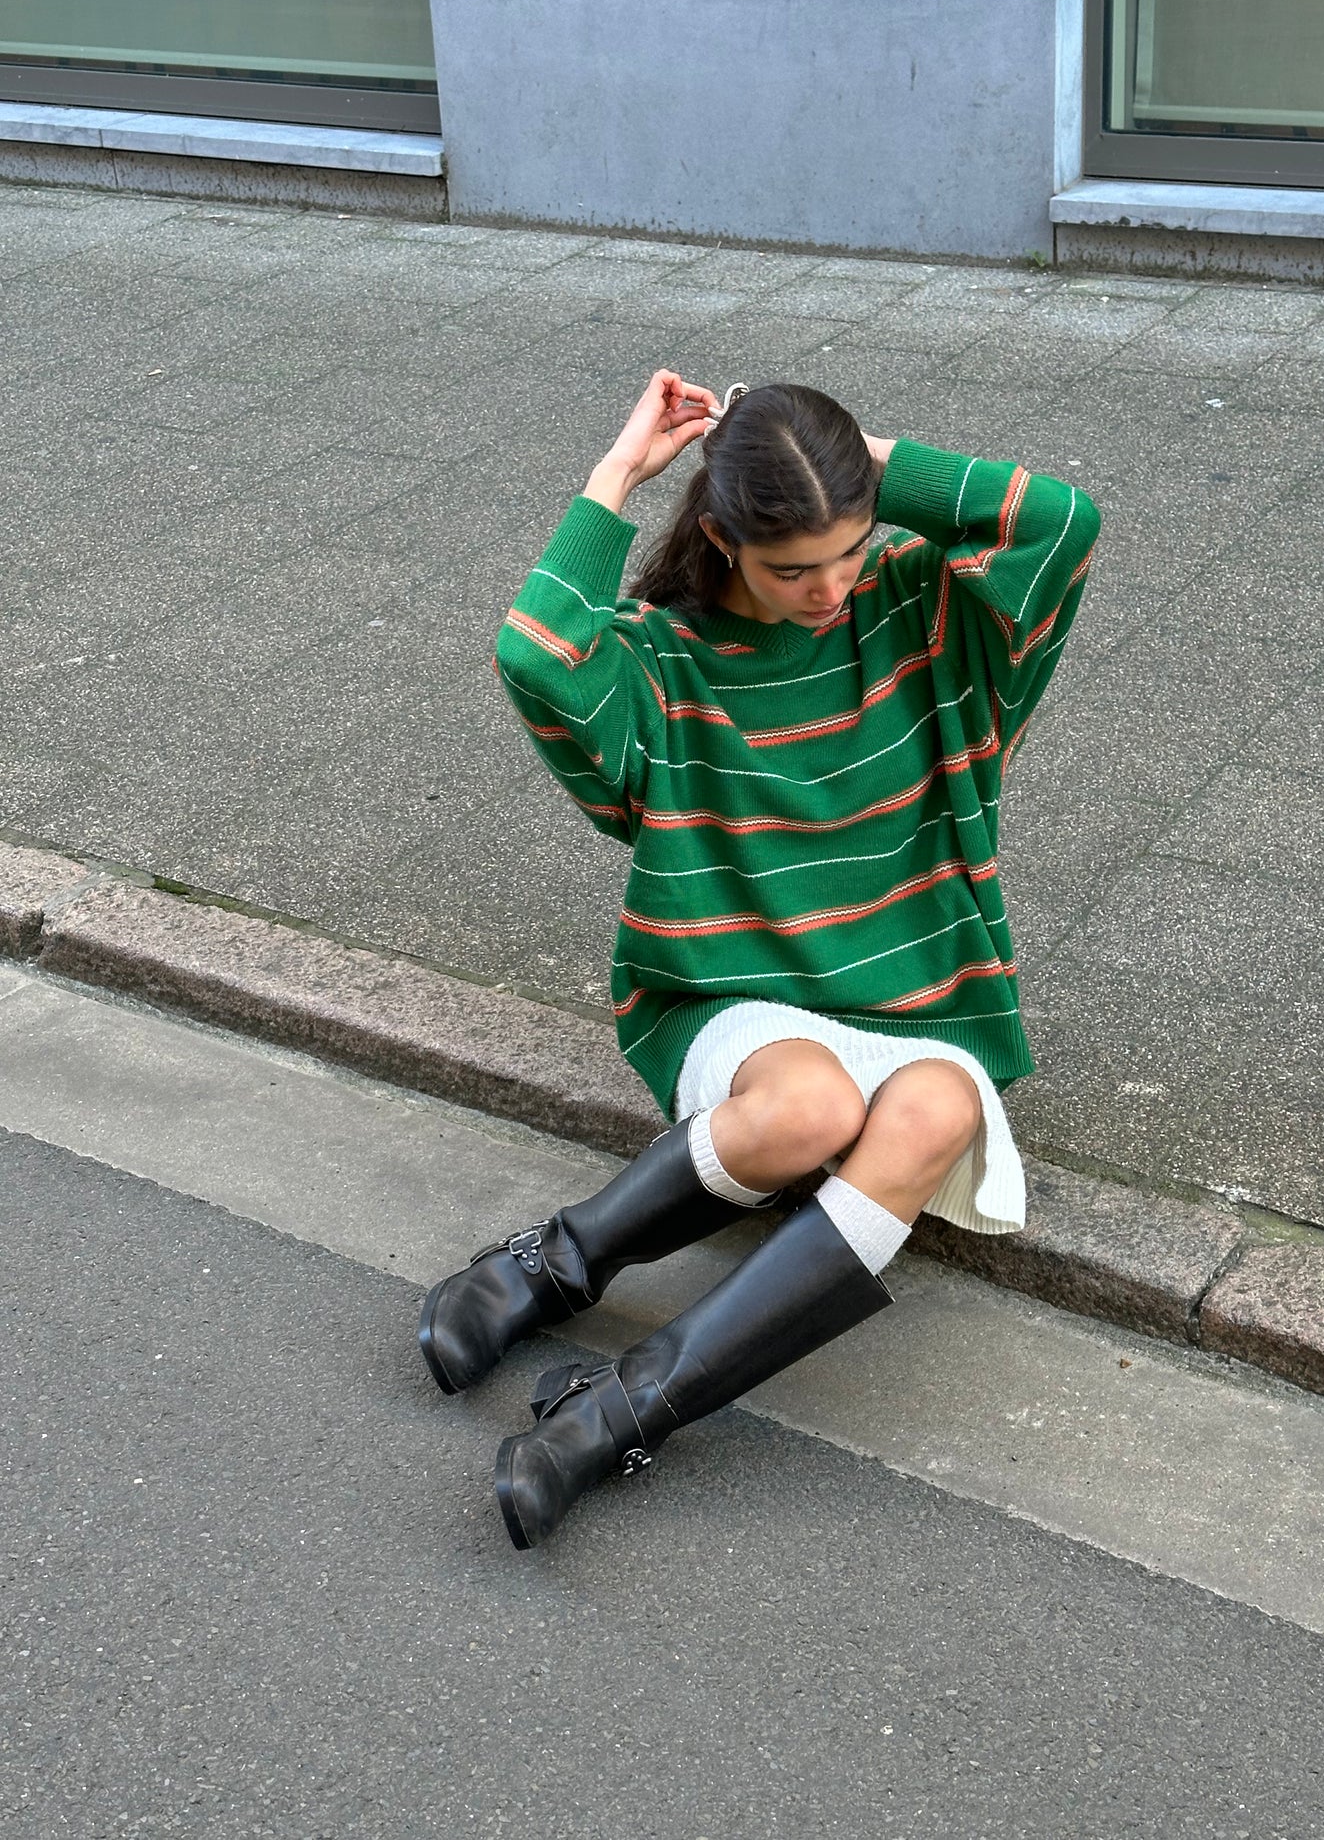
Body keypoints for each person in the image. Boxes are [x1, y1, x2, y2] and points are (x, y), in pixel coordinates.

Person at [418, 370, 1100, 1550]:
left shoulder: (923, 615)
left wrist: (845, 457)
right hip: (735, 994)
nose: (831, 589)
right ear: (723, 538)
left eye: (848, 551)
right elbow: (537, 657)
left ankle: (617, 1412)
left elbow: (1060, 524)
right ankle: (549, 1265)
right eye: (793, 569)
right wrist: (615, 477)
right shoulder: (665, 662)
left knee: (932, 1108)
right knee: (808, 1108)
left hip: (915, 999)